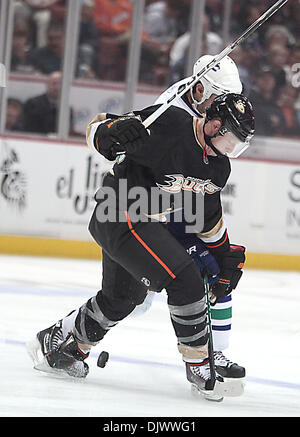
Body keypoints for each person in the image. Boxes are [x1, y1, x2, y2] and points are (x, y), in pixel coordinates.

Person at [27, 91, 254, 401]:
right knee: (185, 280)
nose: (232, 151)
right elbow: (98, 129)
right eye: (232, 142)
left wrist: (225, 256)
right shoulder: (170, 122)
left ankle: (66, 348)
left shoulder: (217, 169)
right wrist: (112, 134)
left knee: (122, 299)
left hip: (139, 222)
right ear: (214, 126)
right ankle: (199, 363)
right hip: (118, 210)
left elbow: (207, 219)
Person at [138, 55, 246, 382]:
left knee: (217, 270)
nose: (222, 107)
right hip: (150, 213)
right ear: (200, 90)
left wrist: (221, 247)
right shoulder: (170, 113)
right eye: (217, 99)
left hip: (185, 211)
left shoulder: (205, 107)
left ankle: (214, 352)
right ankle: (73, 335)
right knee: (130, 299)